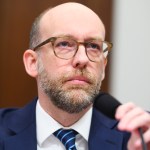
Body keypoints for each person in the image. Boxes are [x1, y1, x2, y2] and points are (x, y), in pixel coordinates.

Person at [0, 2, 150, 150]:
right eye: (64, 44)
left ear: (103, 66)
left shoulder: (139, 135)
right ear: (33, 63)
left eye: (93, 46)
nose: (82, 59)